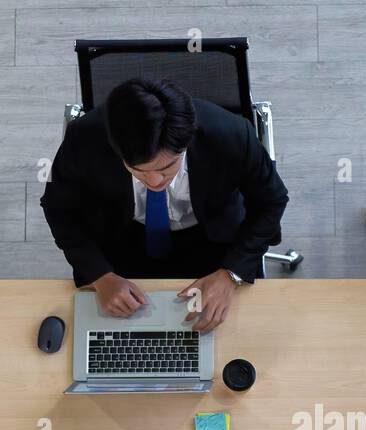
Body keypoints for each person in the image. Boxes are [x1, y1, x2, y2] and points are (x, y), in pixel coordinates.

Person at [41, 78, 290, 332]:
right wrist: (100, 276)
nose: (155, 181)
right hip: (121, 238)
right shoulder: (84, 138)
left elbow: (272, 200)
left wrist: (231, 273)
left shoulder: (231, 134)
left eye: (167, 167)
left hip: (214, 241)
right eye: (138, 170)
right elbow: (57, 208)